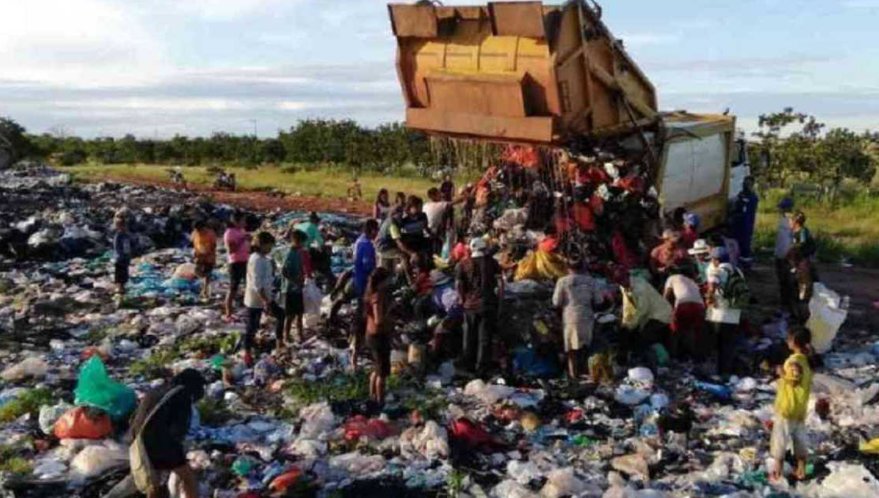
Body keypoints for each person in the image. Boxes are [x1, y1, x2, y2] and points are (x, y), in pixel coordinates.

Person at [103, 369, 206, 498]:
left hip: (139, 438)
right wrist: (178, 451)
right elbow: (178, 428)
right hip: (157, 439)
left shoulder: (159, 390)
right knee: (187, 477)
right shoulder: (181, 394)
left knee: (153, 481)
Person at [770, 327, 814, 482]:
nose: (787, 342)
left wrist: (781, 373)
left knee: (780, 440)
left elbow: (794, 379)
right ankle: (801, 471)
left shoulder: (794, 361)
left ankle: (777, 473)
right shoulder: (805, 360)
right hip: (800, 409)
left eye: (789, 339)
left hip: (787, 407)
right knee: (800, 440)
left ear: (794, 342)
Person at [455, 237, 504, 376]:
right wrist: (500, 302)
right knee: (484, 338)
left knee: (469, 336)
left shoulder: (463, 264)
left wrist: (462, 298)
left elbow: (458, 284)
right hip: (488, 304)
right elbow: (500, 285)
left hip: (470, 305)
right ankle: (482, 368)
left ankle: (468, 366)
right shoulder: (493, 263)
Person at [553, 256, 604, 379]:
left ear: (568, 268)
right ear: (582, 267)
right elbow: (599, 300)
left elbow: (556, 302)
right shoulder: (591, 281)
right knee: (586, 346)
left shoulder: (562, 281)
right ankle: (588, 373)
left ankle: (573, 375)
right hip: (587, 316)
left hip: (570, 317)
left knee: (571, 348)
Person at [244, 232, 285, 366]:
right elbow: (257, 283)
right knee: (252, 326)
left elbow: (267, 278)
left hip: (266, 296)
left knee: (280, 315)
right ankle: (247, 353)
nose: (270, 248)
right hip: (256, 299)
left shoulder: (264, 259)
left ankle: (279, 343)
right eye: (269, 245)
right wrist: (265, 301)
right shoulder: (256, 259)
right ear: (262, 245)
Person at [705, 247, 745, 376]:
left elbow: (712, 285)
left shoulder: (718, 270)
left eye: (712, 259)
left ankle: (715, 373)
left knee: (715, 343)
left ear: (716, 260)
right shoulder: (737, 270)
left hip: (719, 313)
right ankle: (727, 372)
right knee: (729, 344)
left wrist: (709, 299)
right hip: (734, 311)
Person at [614, 268, 672, 356]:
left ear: (627, 276)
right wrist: (625, 322)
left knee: (642, 337)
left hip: (660, 314)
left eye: (623, 279)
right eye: (619, 281)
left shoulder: (640, 287)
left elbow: (643, 310)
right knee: (631, 332)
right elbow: (627, 306)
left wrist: (630, 325)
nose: (622, 282)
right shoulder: (624, 287)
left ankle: (645, 360)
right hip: (649, 315)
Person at [350, 219, 378, 370]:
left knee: (360, 317)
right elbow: (369, 268)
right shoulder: (367, 245)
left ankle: (356, 348)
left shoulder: (359, 241)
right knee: (363, 319)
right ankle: (356, 351)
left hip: (358, 282)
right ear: (372, 230)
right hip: (364, 287)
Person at [663, 266, 707, 361]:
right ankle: (696, 358)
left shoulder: (671, 278)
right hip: (699, 306)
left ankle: (673, 357)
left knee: (674, 332)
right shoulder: (691, 281)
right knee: (692, 332)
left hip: (684, 304)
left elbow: (666, 297)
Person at [365, 267, 395, 405]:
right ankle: (380, 402)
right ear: (382, 281)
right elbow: (379, 320)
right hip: (378, 337)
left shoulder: (372, 293)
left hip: (371, 336)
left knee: (376, 369)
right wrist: (391, 311)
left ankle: (372, 397)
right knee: (382, 373)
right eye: (387, 279)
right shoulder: (377, 296)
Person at [282, 230, 312, 345]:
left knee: (299, 314)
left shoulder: (299, 253)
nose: (303, 245)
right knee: (290, 315)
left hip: (298, 288)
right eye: (302, 243)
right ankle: (286, 336)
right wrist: (295, 282)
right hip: (290, 289)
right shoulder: (289, 253)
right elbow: (284, 271)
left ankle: (300, 335)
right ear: (296, 241)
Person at [223, 212, 250, 321]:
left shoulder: (241, 231)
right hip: (235, 263)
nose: (245, 222)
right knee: (233, 288)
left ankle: (248, 308)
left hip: (245, 261)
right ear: (236, 221)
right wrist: (243, 239)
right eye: (243, 220)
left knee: (249, 286)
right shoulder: (230, 233)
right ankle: (228, 313)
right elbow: (231, 250)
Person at [731, 176, 759, 267]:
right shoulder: (741, 195)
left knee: (745, 246)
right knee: (737, 245)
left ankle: (746, 265)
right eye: (744, 183)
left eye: (748, 183)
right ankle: (739, 263)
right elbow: (736, 207)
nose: (745, 185)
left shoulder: (752, 197)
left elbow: (746, 210)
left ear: (751, 185)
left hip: (746, 225)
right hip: (738, 225)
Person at [774, 198, 795, 313]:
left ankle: (787, 304)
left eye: (782, 207)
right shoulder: (782, 219)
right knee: (782, 280)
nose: (780, 209)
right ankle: (784, 303)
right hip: (780, 254)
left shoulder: (791, 220)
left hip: (787, 256)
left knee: (787, 281)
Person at [192, 219, 217, 302]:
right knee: (198, 272)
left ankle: (205, 290)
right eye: (197, 230)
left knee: (207, 274)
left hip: (209, 257)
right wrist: (196, 253)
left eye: (199, 229)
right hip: (199, 257)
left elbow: (213, 246)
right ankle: (203, 288)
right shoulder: (195, 233)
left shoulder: (210, 234)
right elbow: (195, 244)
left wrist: (207, 254)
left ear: (203, 227)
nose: (198, 231)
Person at [423, 187, 452, 254]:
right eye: (439, 193)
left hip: (425, 234)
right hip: (434, 235)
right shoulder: (441, 205)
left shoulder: (425, 205)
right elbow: (457, 201)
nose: (441, 195)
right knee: (436, 253)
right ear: (434, 196)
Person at [113, 215, 132, 307]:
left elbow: (128, 247)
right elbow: (117, 248)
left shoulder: (126, 235)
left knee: (124, 277)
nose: (124, 227)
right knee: (120, 278)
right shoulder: (119, 235)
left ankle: (122, 293)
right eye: (122, 225)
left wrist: (128, 256)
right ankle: (119, 296)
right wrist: (122, 256)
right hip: (120, 259)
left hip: (125, 259)